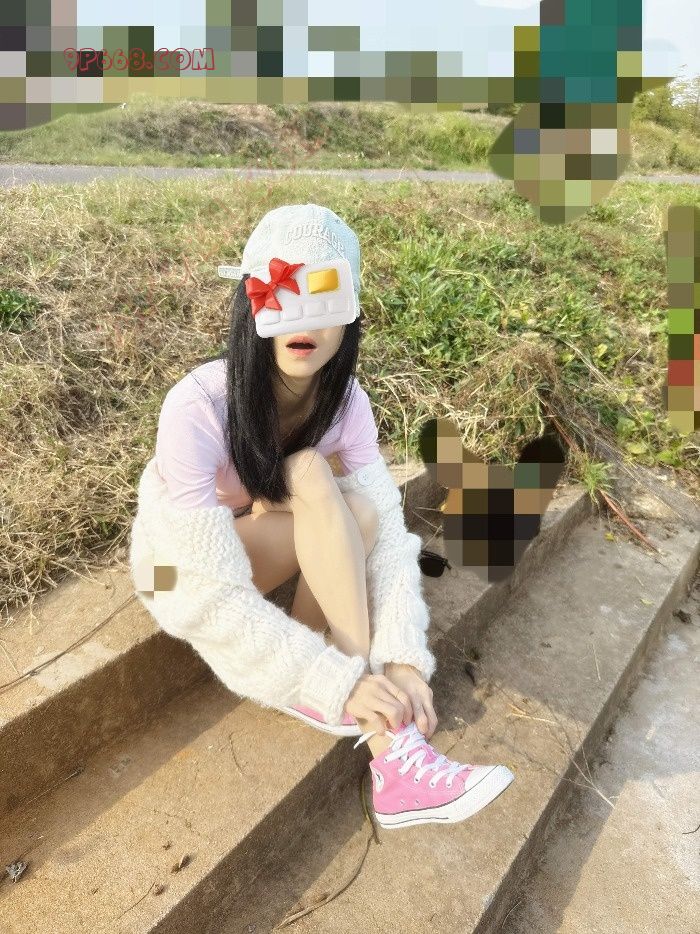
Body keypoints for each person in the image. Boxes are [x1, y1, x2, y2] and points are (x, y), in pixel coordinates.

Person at [129, 203, 513, 829]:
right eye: (285, 292)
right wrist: (329, 681)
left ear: (350, 315)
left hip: (255, 541)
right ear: (252, 305)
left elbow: (387, 535)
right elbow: (202, 592)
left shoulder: (346, 403)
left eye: (326, 296)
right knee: (312, 481)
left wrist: (402, 659)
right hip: (170, 572)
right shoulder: (197, 406)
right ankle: (387, 748)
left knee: (346, 499)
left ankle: (353, 670)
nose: (305, 321)